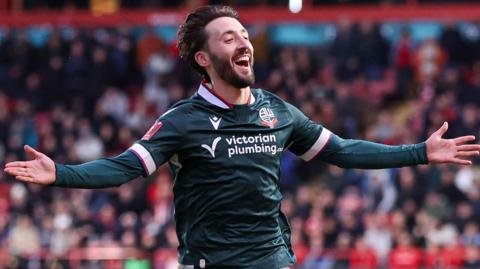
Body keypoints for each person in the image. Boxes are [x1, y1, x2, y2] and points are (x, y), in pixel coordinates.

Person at [4, 5, 480, 269]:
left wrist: (419, 151)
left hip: (273, 260)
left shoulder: (278, 110)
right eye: (229, 37)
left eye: (245, 34)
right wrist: (61, 174)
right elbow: (125, 166)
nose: (244, 42)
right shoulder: (181, 121)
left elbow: (343, 151)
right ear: (204, 59)